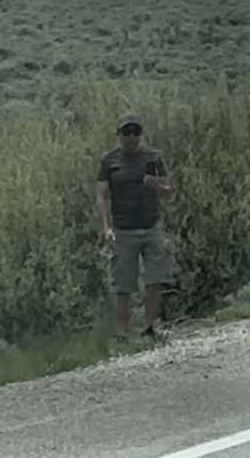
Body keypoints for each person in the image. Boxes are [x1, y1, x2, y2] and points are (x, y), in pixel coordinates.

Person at [96, 112, 174, 342]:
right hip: (123, 229)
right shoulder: (109, 161)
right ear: (118, 134)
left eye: (136, 132)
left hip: (151, 226)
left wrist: (158, 185)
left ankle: (149, 328)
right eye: (127, 132)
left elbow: (170, 191)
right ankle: (121, 334)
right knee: (123, 284)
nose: (131, 137)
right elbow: (102, 197)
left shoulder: (152, 157)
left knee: (156, 279)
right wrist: (106, 228)